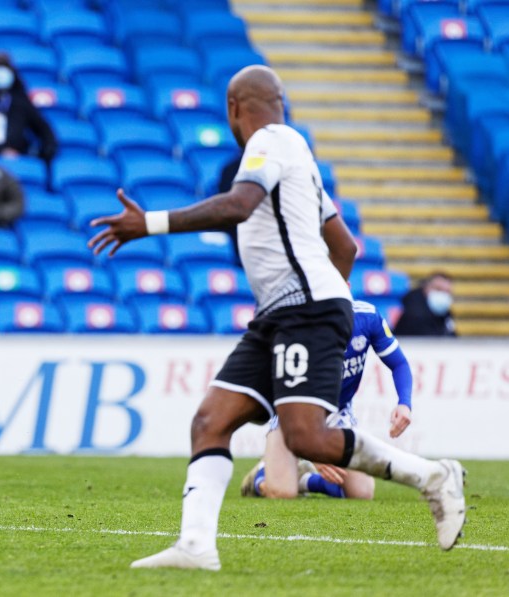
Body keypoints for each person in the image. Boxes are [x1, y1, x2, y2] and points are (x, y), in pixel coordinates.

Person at [88, 65, 465, 570]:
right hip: (286, 313)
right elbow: (345, 245)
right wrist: (335, 298)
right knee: (210, 420)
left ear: (234, 109)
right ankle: (196, 547)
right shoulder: (298, 158)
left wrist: (150, 223)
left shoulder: (268, 143)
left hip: (304, 310)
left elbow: (239, 206)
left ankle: (433, 477)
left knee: (306, 436)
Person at [241, 299, 414, 500]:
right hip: (292, 411)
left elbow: (399, 363)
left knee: (362, 493)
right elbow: (283, 390)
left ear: (347, 286)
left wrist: (404, 403)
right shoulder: (298, 326)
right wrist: (313, 451)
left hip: (336, 413)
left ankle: (304, 480)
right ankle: (261, 476)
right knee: (281, 493)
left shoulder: (367, 317)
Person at [393, 272, 457, 337]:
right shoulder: (413, 310)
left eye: (447, 292)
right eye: (438, 289)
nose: (442, 295)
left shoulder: (444, 312)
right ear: (426, 288)